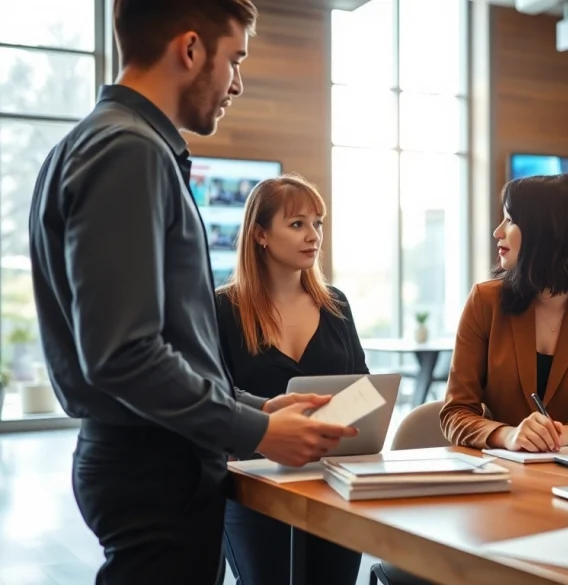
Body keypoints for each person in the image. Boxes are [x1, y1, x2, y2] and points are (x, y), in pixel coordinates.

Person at [27, 2, 355, 584]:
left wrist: (256, 407)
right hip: (154, 464)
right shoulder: (129, 150)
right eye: (235, 59)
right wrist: (258, 431)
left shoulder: (93, 144)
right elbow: (124, 355)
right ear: (190, 50)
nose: (237, 83)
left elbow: (160, 345)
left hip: (148, 457)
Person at [216, 175, 365, 585]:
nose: (313, 236)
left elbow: (363, 386)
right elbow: (216, 393)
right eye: (298, 224)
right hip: (255, 483)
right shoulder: (223, 307)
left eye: (317, 223)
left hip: (332, 477)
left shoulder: (334, 304)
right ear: (260, 234)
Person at [440, 174, 568, 452]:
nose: (498, 232)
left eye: (510, 220)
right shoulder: (484, 301)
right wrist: (508, 435)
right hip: (500, 469)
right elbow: (455, 413)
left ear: (549, 231)